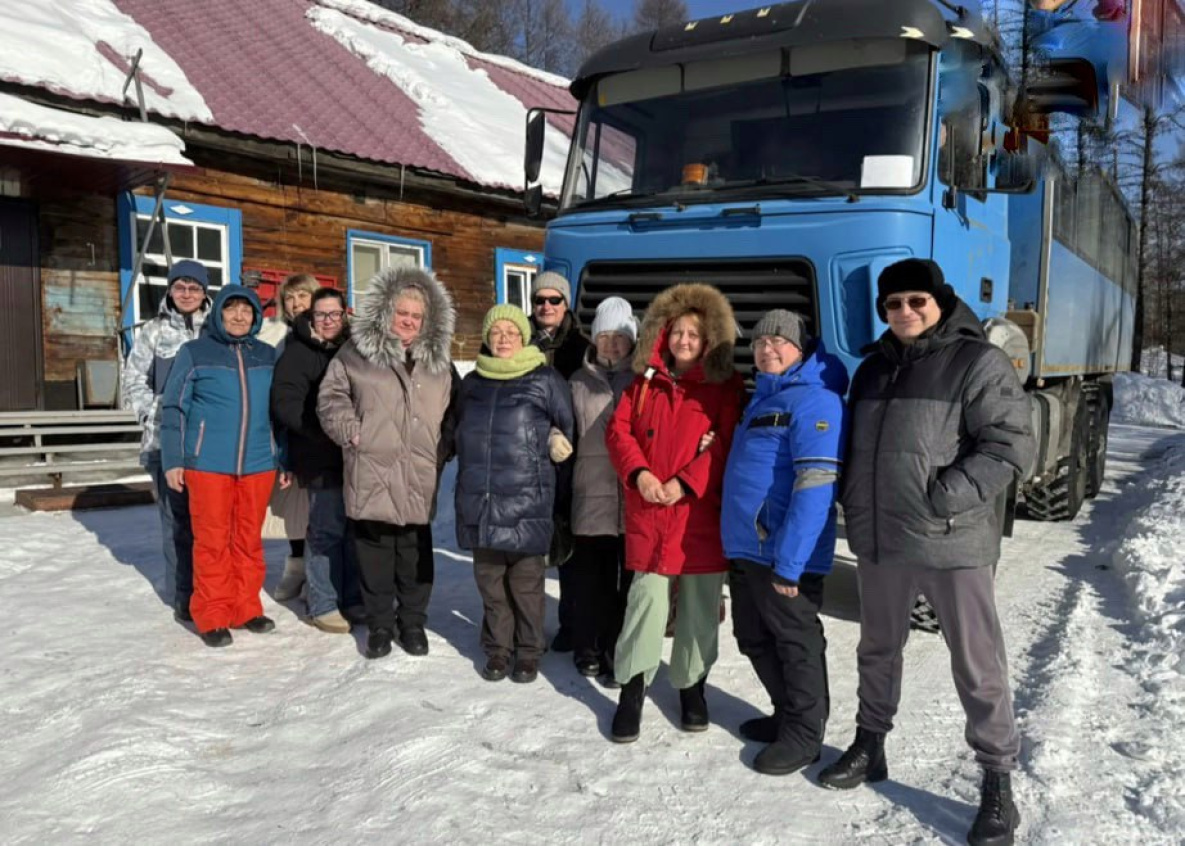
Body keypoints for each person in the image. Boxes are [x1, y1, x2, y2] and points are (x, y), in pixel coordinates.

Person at [817, 259, 1034, 846]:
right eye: (893, 304)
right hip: (882, 538)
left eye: (916, 301)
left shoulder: (976, 361)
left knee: (976, 662)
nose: (905, 312)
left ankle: (996, 781)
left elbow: (1011, 444)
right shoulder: (872, 371)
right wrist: (851, 500)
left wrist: (946, 497)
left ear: (940, 302)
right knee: (877, 649)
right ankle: (871, 745)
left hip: (951, 538)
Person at [605, 283, 745, 742]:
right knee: (644, 604)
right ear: (663, 335)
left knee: (700, 610)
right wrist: (641, 474)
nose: (685, 341)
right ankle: (631, 689)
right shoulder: (643, 383)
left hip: (699, 516)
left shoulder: (727, 388)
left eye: (694, 335)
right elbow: (618, 432)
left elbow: (726, 444)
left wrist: (683, 482)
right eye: (678, 332)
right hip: (650, 511)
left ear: (709, 341)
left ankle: (691, 687)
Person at [721, 310, 847, 776]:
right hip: (747, 547)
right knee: (751, 636)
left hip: (782, 554)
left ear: (800, 349)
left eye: (779, 341)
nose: (767, 350)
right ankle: (786, 713)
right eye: (760, 343)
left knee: (796, 642)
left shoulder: (817, 401)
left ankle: (804, 735)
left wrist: (790, 563)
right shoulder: (763, 397)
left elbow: (815, 484)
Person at [318, 268, 458, 660]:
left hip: (418, 471)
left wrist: (442, 446)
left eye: (417, 316)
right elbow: (331, 398)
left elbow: (455, 410)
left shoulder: (438, 360)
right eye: (403, 313)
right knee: (375, 553)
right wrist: (352, 431)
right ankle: (380, 625)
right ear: (386, 312)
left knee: (415, 552)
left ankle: (412, 623)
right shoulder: (356, 353)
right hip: (373, 467)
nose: (409, 321)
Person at [455, 304, 574, 684]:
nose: (503, 339)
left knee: (526, 585)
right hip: (482, 497)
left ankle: (528, 650)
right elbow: (453, 431)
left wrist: (555, 438)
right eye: (496, 332)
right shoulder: (472, 382)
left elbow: (567, 426)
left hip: (527, 499)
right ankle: (498, 648)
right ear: (487, 338)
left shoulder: (545, 378)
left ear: (523, 337)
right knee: (490, 582)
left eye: (511, 332)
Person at [160, 286, 281, 648]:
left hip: (259, 462)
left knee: (248, 540)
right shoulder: (194, 353)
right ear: (219, 314)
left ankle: (245, 607)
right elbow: (173, 408)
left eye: (247, 310)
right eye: (232, 310)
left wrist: (283, 456)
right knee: (212, 541)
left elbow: (280, 411)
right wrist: (173, 459)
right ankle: (211, 613)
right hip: (208, 463)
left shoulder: (268, 355)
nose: (240, 316)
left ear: (256, 316)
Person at [120, 259, 209, 623]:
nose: (187, 294)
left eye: (194, 287)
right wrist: (150, 414)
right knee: (176, 523)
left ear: (205, 292)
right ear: (170, 291)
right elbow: (133, 378)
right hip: (162, 444)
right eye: (180, 287)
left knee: (211, 523)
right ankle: (182, 595)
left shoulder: (215, 331)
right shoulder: (153, 333)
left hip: (206, 445)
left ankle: (212, 590)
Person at [270, 287, 362, 634]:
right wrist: (322, 429)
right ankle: (323, 603)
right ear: (311, 317)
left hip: (354, 456)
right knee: (326, 531)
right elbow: (284, 402)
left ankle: (351, 598)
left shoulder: (353, 349)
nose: (327, 321)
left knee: (354, 529)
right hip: (319, 455)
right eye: (320, 315)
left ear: (344, 315)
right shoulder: (298, 352)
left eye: (334, 314)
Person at [567, 297, 638, 682]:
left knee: (628, 586)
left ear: (632, 341)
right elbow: (562, 425)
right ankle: (588, 648)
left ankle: (616, 653)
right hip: (590, 496)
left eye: (619, 338)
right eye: (604, 337)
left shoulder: (644, 381)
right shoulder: (578, 382)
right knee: (591, 583)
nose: (611, 345)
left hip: (632, 501)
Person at [527, 270, 591, 654]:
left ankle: (571, 623)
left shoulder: (581, 347)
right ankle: (528, 627)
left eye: (554, 300)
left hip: (572, 457)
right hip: (527, 459)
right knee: (530, 547)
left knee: (571, 548)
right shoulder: (517, 341)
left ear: (566, 304)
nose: (546, 307)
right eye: (540, 300)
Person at [262, 273, 319, 603]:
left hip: (325, 431)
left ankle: (319, 574)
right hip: (291, 429)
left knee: (323, 510)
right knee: (296, 507)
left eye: (303, 296)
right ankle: (297, 567)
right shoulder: (278, 337)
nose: (297, 304)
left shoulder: (330, 332)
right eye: (290, 298)